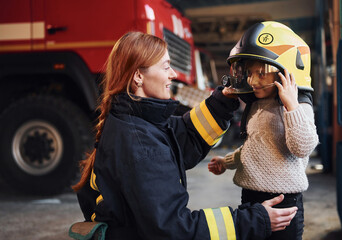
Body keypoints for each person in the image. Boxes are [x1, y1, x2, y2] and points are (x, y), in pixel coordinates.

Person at [71, 31, 298, 240]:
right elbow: (174, 228)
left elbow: (183, 137)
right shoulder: (139, 144)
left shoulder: (135, 121)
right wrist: (254, 220)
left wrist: (222, 103)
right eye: (166, 66)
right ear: (138, 76)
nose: (173, 74)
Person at [208, 21, 319, 240]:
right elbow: (255, 149)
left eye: (262, 73)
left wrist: (291, 106)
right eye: (249, 73)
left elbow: (303, 147)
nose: (252, 80)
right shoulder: (257, 106)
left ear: (284, 72)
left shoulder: (298, 107)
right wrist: (227, 162)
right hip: (250, 197)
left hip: (282, 201)